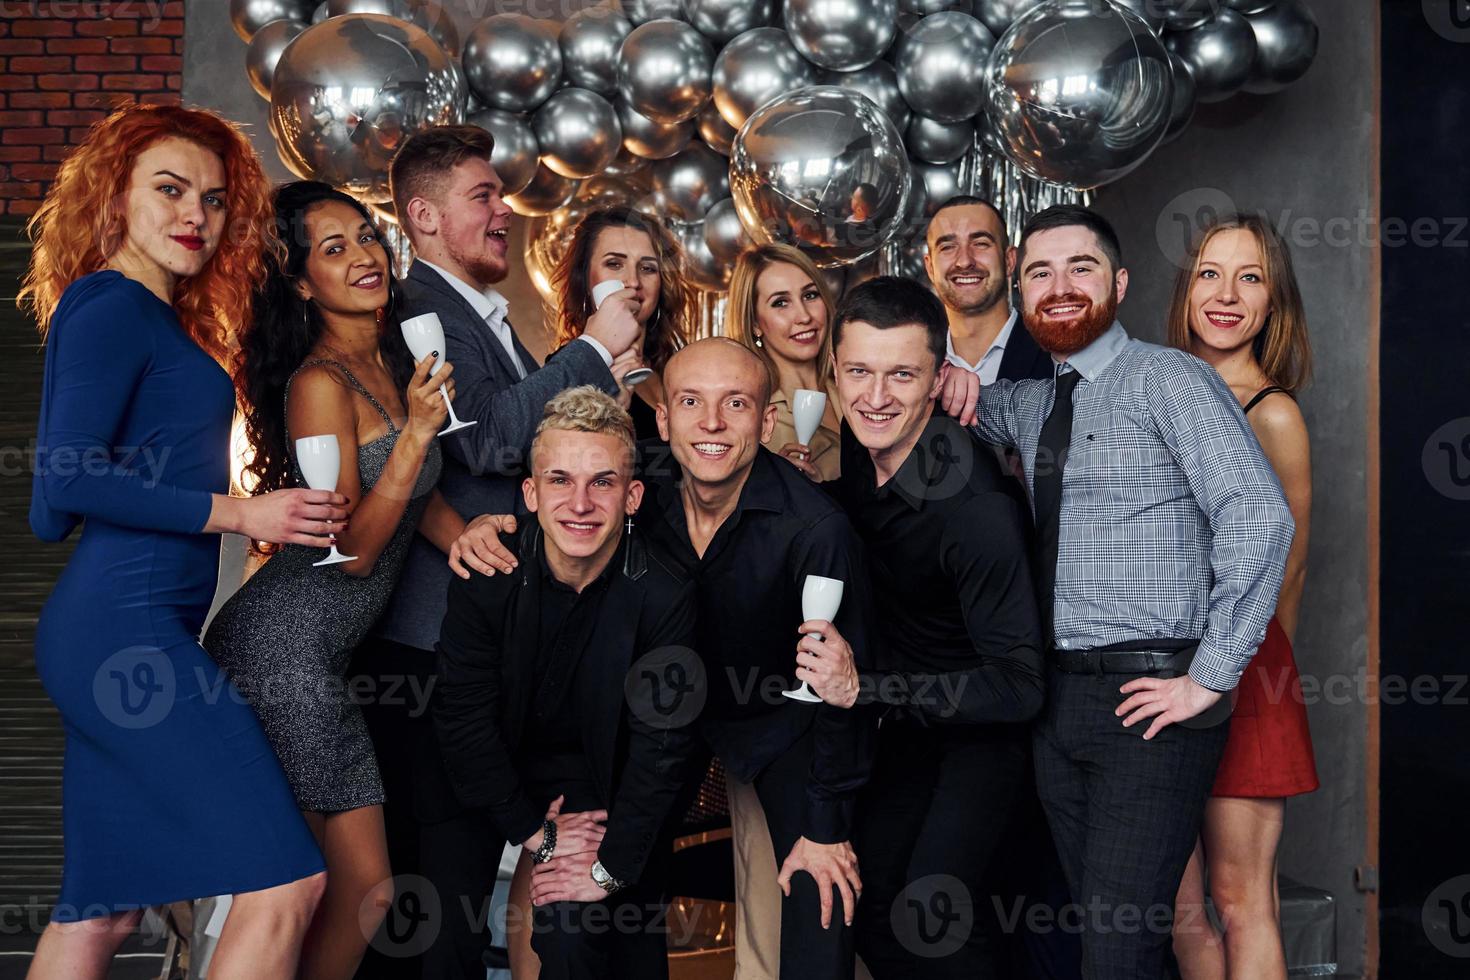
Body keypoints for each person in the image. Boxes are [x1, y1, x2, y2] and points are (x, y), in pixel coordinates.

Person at [21, 104, 339, 979]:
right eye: (168, 189)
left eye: (213, 198)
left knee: (100, 913)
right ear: (114, 197)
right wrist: (243, 513)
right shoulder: (113, 308)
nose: (193, 214)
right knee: (288, 883)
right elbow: (70, 485)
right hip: (128, 636)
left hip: (111, 635)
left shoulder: (143, 316)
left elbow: (52, 510)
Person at [943, 205, 1295, 979]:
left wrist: (1208, 675)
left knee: (1118, 948)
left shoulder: (1172, 379)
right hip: (1055, 706)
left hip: (1149, 701)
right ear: (1019, 289)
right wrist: (941, 374)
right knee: (1114, 940)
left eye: (1082, 268)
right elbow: (948, 407)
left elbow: (1259, 516)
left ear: (1120, 283)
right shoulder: (1028, 405)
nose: (1060, 286)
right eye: (1039, 272)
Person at [368, 125, 641, 979]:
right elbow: (487, 441)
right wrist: (591, 348)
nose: (503, 212)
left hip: (481, 639)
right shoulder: (421, 309)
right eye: (483, 197)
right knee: (437, 896)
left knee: (454, 890)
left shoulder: (478, 313)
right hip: (432, 645)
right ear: (422, 216)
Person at [202, 181, 469, 979]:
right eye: (334, 248)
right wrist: (419, 435)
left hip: (322, 656)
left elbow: (416, 502)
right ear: (298, 279)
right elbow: (349, 549)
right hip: (281, 649)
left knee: (353, 892)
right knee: (332, 889)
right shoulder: (320, 383)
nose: (364, 258)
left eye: (366, 238)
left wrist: (475, 541)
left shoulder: (392, 358)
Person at [796, 276, 1045, 977]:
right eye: (860, 373)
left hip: (984, 736)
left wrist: (864, 688)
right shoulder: (855, 447)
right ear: (835, 374)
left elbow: (1021, 687)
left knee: (933, 916)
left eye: (902, 374)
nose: (876, 397)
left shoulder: (975, 507)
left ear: (939, 379)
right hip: (907, 730)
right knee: (867, 911)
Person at [433, 386, 700, 980]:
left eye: (602, 482)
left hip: (598, 778)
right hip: (481, 772)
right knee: (439, 939)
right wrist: (535, 834)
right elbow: (463, 718)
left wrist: (604, 868)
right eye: (559, 480)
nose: (580, 503)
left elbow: (664, 749)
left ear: (633, 497)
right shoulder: (488, 569)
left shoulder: (664, 593)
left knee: (581, 928)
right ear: (529, 493)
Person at [638, 337, 877, 980]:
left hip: (784, 725)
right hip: (668, 718)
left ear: (766, 420)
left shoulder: (816, 527)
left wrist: (826, 825)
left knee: (821, 890)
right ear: (663, 418)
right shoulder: (633, 501)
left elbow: (843, 692)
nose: (711, 424)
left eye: (735, 404)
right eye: (691, 402)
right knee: (611, 874)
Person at [1165, 214, 1318, 980]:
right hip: (1154, 666)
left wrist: (1249, 675)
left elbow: (1286, 570)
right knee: (1178, 904)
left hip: (1248, 671)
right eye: (1210, 273)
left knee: (1238, 895)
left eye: (1249, 277)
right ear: (1186, 288)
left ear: (1272, 301)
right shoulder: (1151, 387)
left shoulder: (1274, 411)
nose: (1226, 295)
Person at [549, 206, 693, 442]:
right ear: (585, 279)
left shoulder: (673, 372)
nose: (633, 281)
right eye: (614, 264)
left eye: (647, 268)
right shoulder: (567, 372)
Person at [727, 243, 843, 481]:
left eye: (810, 295)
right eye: (781, 302)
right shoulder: (751, 417)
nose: (804, 316)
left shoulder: (855, 387)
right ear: (754, 323)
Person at [923, 195, 1052, 385]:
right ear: (931, 268)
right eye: (948, 247)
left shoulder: (1056, 353)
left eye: (980, 243)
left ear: (1009, 260)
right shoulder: (915, 363)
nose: (964, 261)